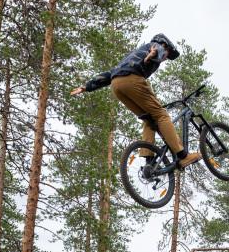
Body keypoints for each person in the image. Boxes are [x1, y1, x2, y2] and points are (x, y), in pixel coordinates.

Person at [70, 33, 201, 169]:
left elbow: (109, 73)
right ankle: (183, 156)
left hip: (117, 86)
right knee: (161, 115)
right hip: (132, 80)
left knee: (149, 119)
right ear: (164, 45)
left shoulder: (132, 56)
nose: (165, 58)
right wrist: (154, 54)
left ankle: (149, 162)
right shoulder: (155, 46)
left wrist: (86, 86)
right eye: (167, 54)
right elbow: (157, 50)